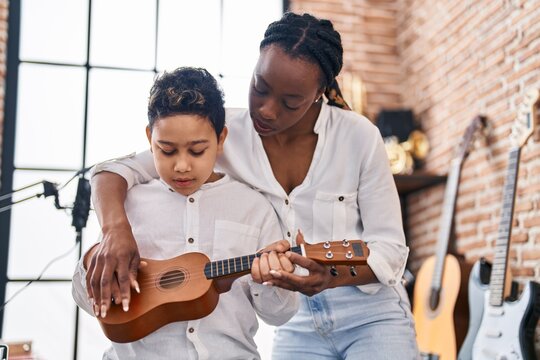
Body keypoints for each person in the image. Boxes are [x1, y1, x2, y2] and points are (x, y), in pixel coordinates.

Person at [88, 12, 420, 359]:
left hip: (371, 317)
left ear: (319, 93)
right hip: (293, 324)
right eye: (259, 87)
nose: (267, 110)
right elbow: (113, 171)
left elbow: (391, 250)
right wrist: (115, 230)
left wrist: (330, 278)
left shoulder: (358, 137)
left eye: (290, 102)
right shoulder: (217, 134)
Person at [72, 67, 299, 359]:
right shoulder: (129, 202)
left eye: (197, 151)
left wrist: (269, 279)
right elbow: (85, 300)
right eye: (166, 150)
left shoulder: (255, 209)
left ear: (221, 139)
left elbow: (280, 315)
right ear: (149, 138)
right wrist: (97, 262)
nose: (181, 166)